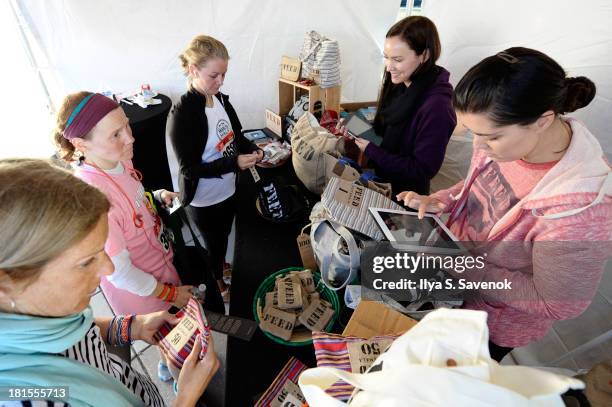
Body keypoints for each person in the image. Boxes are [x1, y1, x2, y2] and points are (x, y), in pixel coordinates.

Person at [398, 47, 612, 361]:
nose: (479, 145)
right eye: (472, 132)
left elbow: (558, 302)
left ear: (543, 121)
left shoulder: (581, 212)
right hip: (451, 275)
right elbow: (479, 184)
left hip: (488, 324)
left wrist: (457, 263)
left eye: (491, 137)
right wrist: (441, 200)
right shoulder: (505, 140)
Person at [0, 159, 219, 406]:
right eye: (85, 262)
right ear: (6, 285)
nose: (108, 268)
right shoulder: (25, 397)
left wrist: (131, 327)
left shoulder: (40, 309)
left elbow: (80, 330)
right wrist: (186, 398)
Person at [53, 91, 223, 383]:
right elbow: (121, 274)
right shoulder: (94, 200)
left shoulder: (115, 159)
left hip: (160, 266)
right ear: (81, 145)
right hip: (144, 291)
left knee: (167, 337)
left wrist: (155, 197)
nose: (130, 139)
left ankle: (165, 362)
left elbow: (133, 197)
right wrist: (170, 294)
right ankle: (180, 375)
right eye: (116, 134)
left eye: (126, 126)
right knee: (174, 340)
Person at [169, 35, 262, 301]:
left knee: (223, 236)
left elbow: (235, 134)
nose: (220, 82)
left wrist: (252, 148)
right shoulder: (183, 114)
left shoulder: (219, 98)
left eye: (224, 75)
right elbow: (189, 169)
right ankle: (218, 282)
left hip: (228, 186)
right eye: (214, 75)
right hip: (204, 197)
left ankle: (219, 265)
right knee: (214, 242)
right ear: (193, 70)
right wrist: (233, 163)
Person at [346, 16, 456, 196]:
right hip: (383, 182)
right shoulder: (400, 84)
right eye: (386, 58)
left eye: (397, 59)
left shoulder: (437, 107)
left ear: (425, 55)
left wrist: (372, 151)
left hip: (406, 198)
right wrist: (357, 129)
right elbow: (385, 133)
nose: (389, 67)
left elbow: (422, 170)